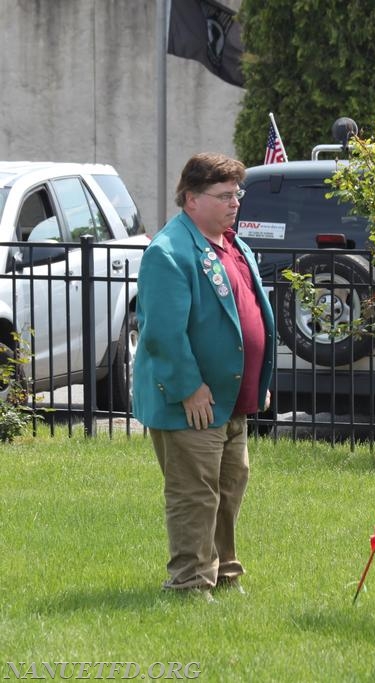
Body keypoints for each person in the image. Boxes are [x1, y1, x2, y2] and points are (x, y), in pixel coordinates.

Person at [133, 152, 275, 599]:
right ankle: (190, 582)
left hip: (233, 397)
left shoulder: (231, 244)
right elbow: (161, 332)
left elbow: (249, 317)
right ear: (191, 199)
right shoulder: (169, 252)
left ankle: (223, 572)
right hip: (192, 400)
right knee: (195, 493)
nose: (235, 203)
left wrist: (260, 381)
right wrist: (189, 388)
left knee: (229, 487)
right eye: (225, 195)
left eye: (238, 193)